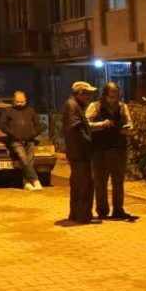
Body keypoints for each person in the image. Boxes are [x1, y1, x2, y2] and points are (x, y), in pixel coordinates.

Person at [87, 82, 134, 219]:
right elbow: (86, 125)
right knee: (100, 182)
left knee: (118, 182)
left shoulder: (122, 107)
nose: (114, 100)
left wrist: (129, 128)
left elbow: (129, 122)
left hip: (118, 149)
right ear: (105, 95)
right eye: (111, 96)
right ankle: (102, 210)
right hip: (99, 150)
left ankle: (118, 209)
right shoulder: (95, 107)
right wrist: (102, 124)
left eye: (116, 96)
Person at [62, 81, 103, 224]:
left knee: (78, 184)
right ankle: (83, 215)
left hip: (76, 152)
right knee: (84, 185)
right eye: (87, 94)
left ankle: (75, 214)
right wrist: (89, 141)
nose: (89, 97)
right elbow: (76, 129)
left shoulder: (74, 105)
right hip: (79, 152)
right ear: (80, 93)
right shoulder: (72, 106)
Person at [0, 90, 45, 191]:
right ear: (13, 101)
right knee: (24, 159)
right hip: (15, 140)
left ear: (26, 101)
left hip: (29, 140)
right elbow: (2, 125)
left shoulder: (31, 111)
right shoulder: (7, 111)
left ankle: (26, 183)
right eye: (18, 101)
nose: (20, 103)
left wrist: (33, 133)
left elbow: (38, 125)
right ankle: (35, 180)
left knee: (29, 162)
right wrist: (12, 133)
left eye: (22, 101)